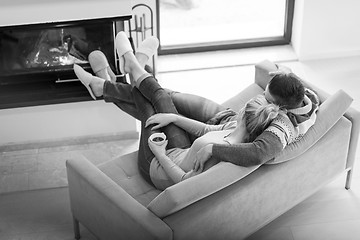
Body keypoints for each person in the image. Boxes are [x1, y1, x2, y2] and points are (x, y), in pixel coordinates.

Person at [75, 32, 320, 176]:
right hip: (226, 121)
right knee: (164, 95)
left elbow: (259, 152)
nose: (260, 97)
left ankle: (123, 71)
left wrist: (212, 149)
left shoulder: (278, 130)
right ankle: (130, 71)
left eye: (266, 98)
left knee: (157, 97)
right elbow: (211, 132)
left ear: (281, 109)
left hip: (176, 156)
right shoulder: (304, 99)